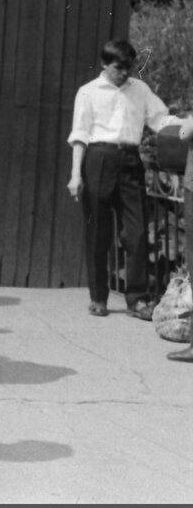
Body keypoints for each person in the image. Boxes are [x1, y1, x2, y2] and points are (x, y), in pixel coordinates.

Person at [68, 39, 193, 320]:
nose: (124, 73)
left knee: (136, 233)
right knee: (98, 231)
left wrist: (187, 123)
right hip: (98, 158)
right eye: (118, 68)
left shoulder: (140, 90)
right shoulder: (88, 93)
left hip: (130, 161)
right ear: (105, 64)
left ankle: (137, 300)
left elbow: (161, 120)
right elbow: (79, 135)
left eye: (128, 68)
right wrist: (76, 174)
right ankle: (98, 297)